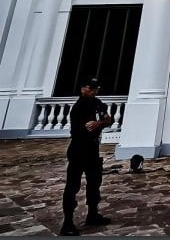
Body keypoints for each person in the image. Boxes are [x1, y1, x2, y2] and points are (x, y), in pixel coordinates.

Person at [60, 77, 114, 236]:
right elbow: (88, 127)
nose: (94, 91)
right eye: (91, 88)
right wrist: (100, 123)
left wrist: (99, 123)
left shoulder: (98, 103)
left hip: (93, 150)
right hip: (78, 150)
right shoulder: (78, 108)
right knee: (72, 186)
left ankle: (93, 214)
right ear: (83, 88)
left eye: (96, 89)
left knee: (94, 183)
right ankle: (67, 223)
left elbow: (107, 120)